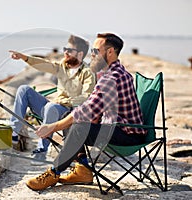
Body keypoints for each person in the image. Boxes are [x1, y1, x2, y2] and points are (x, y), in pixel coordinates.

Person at [26, 33, 147, 191]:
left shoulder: (111, 78)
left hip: (128, 135)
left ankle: (54, 172)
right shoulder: (116, 71)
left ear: (110, 52)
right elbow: (95, 108)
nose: (92, 55)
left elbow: (86, 110)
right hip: (121, 127)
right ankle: (82, 170)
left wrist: (52, 127)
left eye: (96, 51)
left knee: (78, 126)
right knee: (69, 118)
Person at [9, 35, 96, 155]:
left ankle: (42, 150)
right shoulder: (62, 65)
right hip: (54, 107)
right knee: (24, 89)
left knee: (51, 107)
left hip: (69, 113)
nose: (65, 52)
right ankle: (14, 132)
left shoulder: (87, 73)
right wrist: (23, 57)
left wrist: (63, 102)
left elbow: (87, 97)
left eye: (70, 50)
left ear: (80, 54)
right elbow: (44, 64)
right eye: (65, 49)